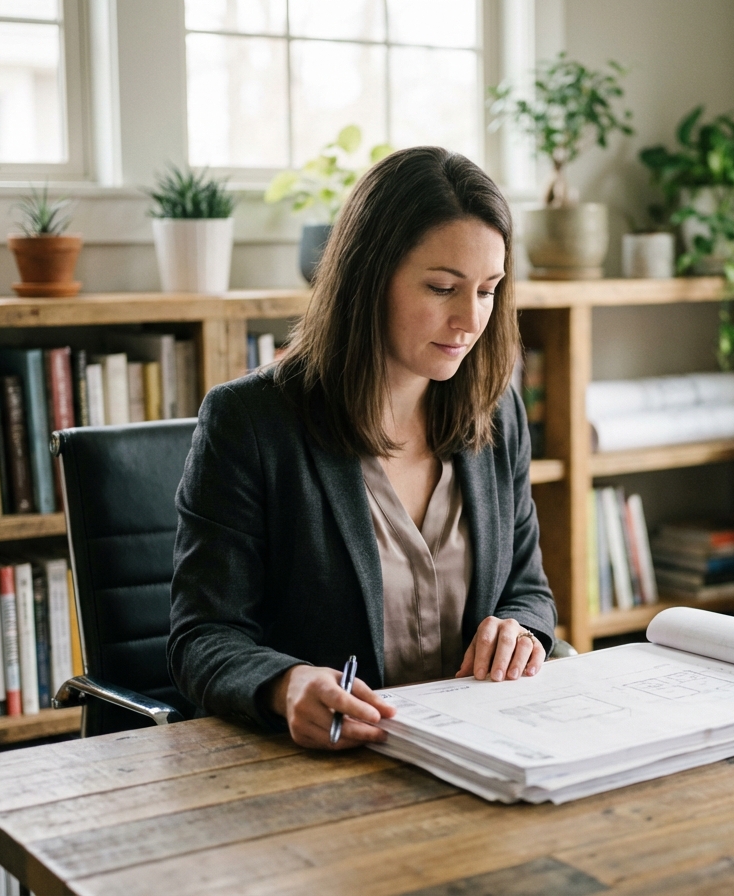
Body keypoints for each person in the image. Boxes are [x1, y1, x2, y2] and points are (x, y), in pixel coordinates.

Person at [168, 146, 557, 751]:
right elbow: (202, 637)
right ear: (368, 277)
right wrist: (286, 684)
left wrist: (522, 629)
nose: (468, 320)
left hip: (481, 751)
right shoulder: (249, 422)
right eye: (442, 287)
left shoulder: (496, 410)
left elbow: (527, 589)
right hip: (326, 765)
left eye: (488, 290)